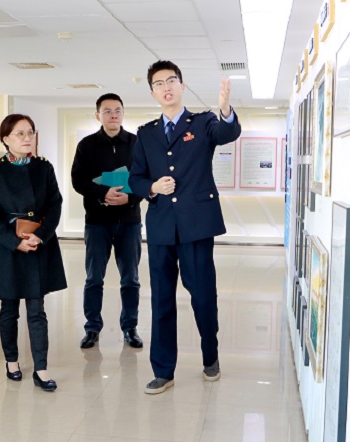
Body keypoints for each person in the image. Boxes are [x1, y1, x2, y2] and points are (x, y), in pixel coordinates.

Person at [128, 60, 241, 394]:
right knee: (161, 300)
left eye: (171, 81)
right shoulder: (146, 133)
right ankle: (163, 371)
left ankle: (210, 357)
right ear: (152, 92)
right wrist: (152, 187)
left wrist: (225, 110)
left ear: (181, 85)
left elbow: (227, 133)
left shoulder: (203, 122)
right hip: (161, 227)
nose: (166, 87)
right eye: (159, 83)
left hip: (196, 225)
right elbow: (135, 177)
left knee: (203, 296)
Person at [0, 114, 67, 392]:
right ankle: (11, 362)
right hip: (7, 247)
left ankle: (41, 369)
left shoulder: (43, 167)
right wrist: (15, 242)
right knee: (9, 308)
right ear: (6, 139)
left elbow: (55, 204)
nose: (27, 138)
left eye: (30, 133)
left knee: (37, 309)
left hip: (38, 243)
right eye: (20, 134)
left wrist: (41, 235)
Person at [71, 93, 143, 350]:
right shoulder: (86, 145)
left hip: (129, 221)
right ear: (97, 115)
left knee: (130, 279)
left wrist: (130, 198)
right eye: (107, 111)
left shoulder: (137, 143)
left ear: (123, 113)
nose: (113, 115)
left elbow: (147, 180)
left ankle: (130, 328)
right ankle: (92, 328)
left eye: (117, 110)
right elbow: (78, 181)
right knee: (94, 279)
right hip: (97, 222)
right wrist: (103, 193)